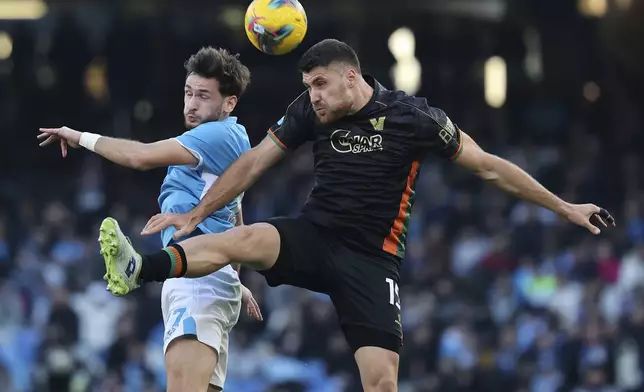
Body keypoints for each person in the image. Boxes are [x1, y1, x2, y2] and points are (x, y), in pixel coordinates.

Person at [96, 39, 615, 392]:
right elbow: (254, 161)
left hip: (372, 261)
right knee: (243, 239)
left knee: (382, 380)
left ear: (351, 77)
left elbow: (489, 168)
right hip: (317, 236)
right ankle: (141, 267)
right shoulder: (308, 111)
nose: (313, 96)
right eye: (309, 85)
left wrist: (566, 207)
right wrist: (197, 214)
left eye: (321, 84)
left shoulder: (415, 118)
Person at [37, 47, 262, 392]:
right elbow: (235, 216)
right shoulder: (230, 140)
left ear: (229, 103)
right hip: (205, 277)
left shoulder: (217, 135)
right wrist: (232, 275)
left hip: (196, 286)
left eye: (204, 96)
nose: (191, 104)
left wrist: (80, 137)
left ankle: (137, 267)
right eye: (188, 93)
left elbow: (140, 156)